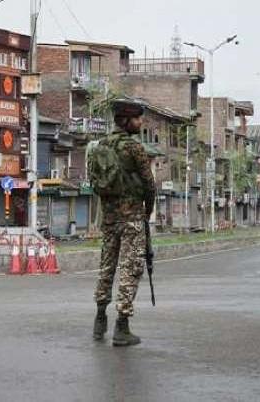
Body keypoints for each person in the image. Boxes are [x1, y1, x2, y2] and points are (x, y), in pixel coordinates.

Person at [92, 98, 156, 347]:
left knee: (106, 267)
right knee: (130, 269)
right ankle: (122, 326)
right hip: (131, 219)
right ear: (126, 121)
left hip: (109, 219)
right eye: (137, 119)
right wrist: (147, 211)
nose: (140, 123)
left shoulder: (100, 146)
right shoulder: (134, 148)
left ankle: (99, 320)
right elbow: (149, 184)